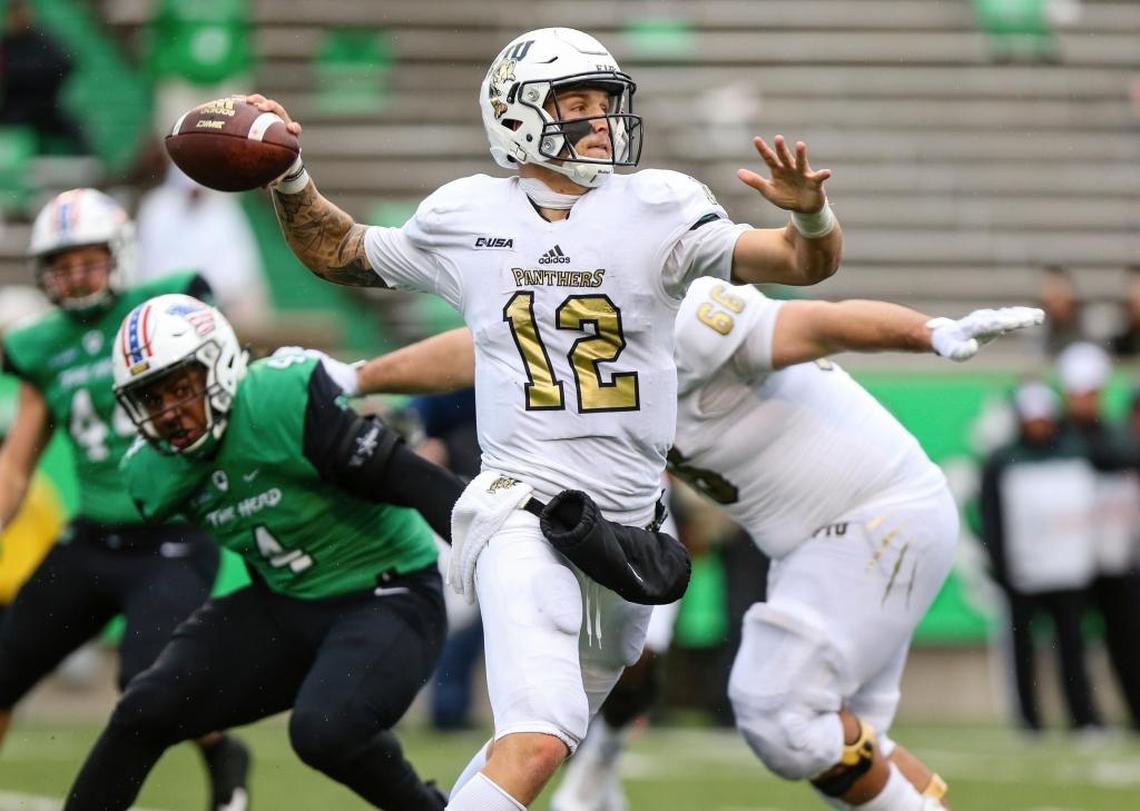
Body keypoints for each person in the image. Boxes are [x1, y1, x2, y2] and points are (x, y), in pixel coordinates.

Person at [251, 24, 844, 810]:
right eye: (577, 103)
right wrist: (289, 175)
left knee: (537, 746)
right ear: (517, 115)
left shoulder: (659, 207)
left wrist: (810, 216)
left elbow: (805, 263)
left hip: (629, 528)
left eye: (605, 102)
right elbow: (342, 250)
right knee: (540, 733)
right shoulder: (467, 215)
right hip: (521, 513)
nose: (600, 119)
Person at [317, 284, 1042, 809]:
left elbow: (818, 320)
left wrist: (929, 331)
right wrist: (358, 375)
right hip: (817, 539)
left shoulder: (687, 318)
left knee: (777, 710)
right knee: (842, 747)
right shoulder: (579, 334)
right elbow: (484, 351)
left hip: (874, 517)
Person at [63, 295, 467, 810]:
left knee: (326, 730)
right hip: (286, 601)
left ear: (220, 366)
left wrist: (503, 561)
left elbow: (418, 483)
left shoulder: (279, 401)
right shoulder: (152, 471)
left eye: (181, 389)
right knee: (144, 708)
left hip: (388, 592)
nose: (170, 413)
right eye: (152, 399)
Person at [0, 189, 249, 810]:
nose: (77, 277)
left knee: (146, 680)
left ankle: (221, 750)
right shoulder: (39, 344)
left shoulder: (161, 310)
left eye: (89, 260)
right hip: (89, 538)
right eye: (63, 266)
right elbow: (15, 464)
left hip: (169, 535)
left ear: (119, 255)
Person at [980, 380, 1103, 734]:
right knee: (1023, 652)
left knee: (1073, 647)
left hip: (1066, 571)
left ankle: (1084, 717)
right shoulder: (1002, 460)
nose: (1039, 425)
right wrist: (1002, 565)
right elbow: (991, 518)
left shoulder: (1074, 452)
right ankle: (1029, 720)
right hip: (1023, 572)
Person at [1056, 343, 1140, 731]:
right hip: (1068, 555)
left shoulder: (1114, 435)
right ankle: (1083, 717)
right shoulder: (1059, 437)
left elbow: (1122, 455)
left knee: (1126, 637)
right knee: (1071, 639)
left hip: (1113, 553)